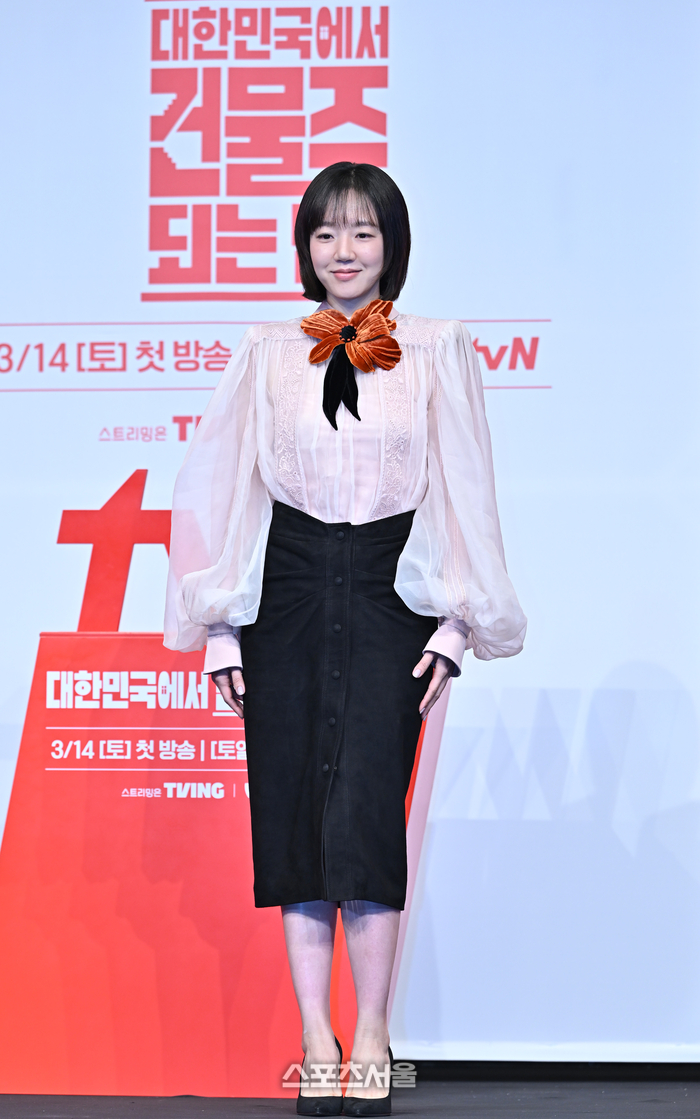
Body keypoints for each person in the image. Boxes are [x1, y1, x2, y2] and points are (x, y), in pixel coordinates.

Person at [164, 162, 526, 1116]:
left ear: (392, 242)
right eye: (326, 232)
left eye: (363, 231)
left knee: (366, 810)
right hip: (284, 588)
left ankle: (371, 1032)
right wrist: (220, 629)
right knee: (291, 810)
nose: (345, 250)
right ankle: (313, 1036)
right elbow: (225, 493)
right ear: (305, 246)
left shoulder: (438, 347)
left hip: (388, 586)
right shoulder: (266, 351)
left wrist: (456, 623)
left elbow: (465, 493)